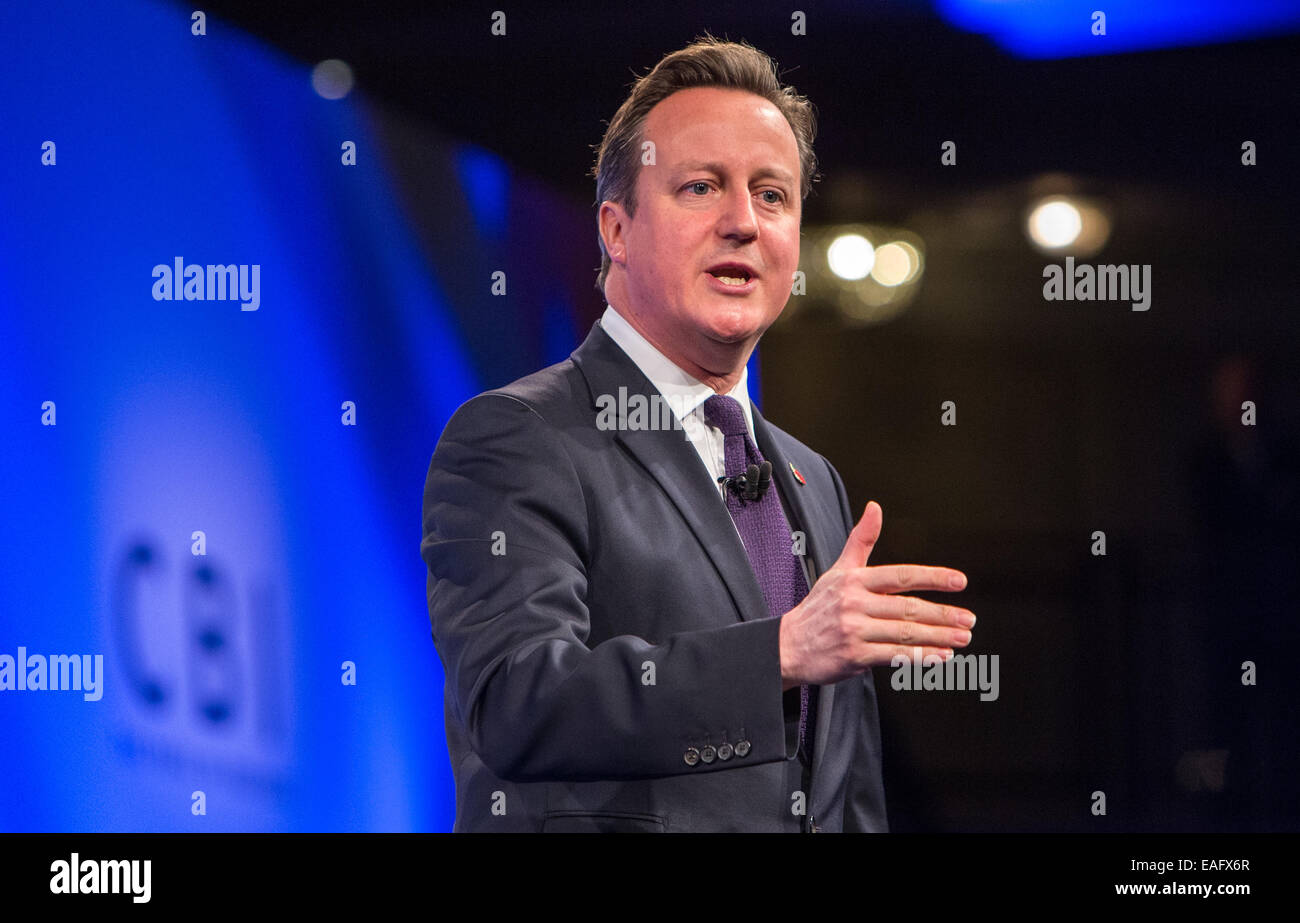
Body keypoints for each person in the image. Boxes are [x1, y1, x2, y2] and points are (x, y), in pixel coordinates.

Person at [420, 36, 975, 832]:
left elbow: (845, 791)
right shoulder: (519, 437)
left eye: (773, 195)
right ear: (616, 230)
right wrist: (778, 651)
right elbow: (518, 703)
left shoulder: (813, 479)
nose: (744, 222)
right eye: (702, 187)